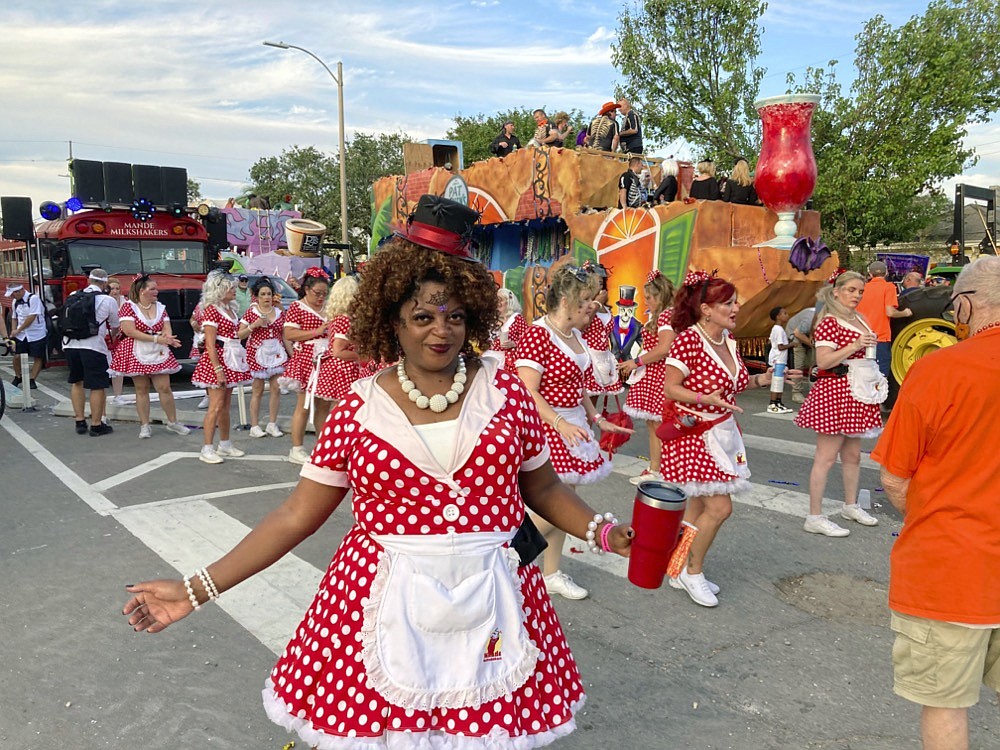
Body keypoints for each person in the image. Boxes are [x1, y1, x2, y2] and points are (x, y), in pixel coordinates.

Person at [122, 194, 635, 750]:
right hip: (378, 600)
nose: (441, 331)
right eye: (422, 316)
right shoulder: (359, 408)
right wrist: (194, 590)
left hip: (497, 596)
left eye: (455, 315)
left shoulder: (503, 390)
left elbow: (543, 487)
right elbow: (296, 515)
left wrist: (606, 533)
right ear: (391, 319)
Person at [871, 257, 1000, 750]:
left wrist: (938, 518)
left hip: (951, 570)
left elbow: (895, 479)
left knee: (946, 706)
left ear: (965, 304)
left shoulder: (938, 369)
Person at [516, 264, 632, 601]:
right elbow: (528, 392)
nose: (593, 306)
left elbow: (579, 385)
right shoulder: (539, 334)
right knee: (556, 506)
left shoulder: (576, 336)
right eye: (586, 300)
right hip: (547, 426)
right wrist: (559, 423)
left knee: (565, 501)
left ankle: (550, 572)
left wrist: (595, 417)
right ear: (566, 300)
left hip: (573, 425)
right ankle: (510, 558)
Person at [659, 271, 775, 607]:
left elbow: (735, 387)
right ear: (706, 309)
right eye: (728, 302)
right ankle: (694, 572)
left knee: (697, 508)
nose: (736, 307)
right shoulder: (689, 341)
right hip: (693, 434)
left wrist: (762, 380)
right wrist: (704, 400)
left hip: (723, 433)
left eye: (735, 301)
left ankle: (678, 567)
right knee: (720, 508)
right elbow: (671, 388)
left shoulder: (729, 342)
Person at [794, 270, 882, 537]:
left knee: (853, 455)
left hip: (855, 390)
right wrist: (855, 344)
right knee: (826, 456)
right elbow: (823, 361)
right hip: (835, 391)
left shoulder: (858, 318)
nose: (856, 295)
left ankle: (850, 505)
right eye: (851, 290)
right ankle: (815, 515)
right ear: (836, 292)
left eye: (860, 291)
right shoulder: (829, 321)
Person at [109, 274, 190, 439]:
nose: (157, 292)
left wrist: (168, 339)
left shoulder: (160, 307)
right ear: (142, 291)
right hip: (137, 349)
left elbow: (167, 327)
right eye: (153, 289)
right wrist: (156, 338)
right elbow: (129, 331)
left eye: (156, 288)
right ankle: (144, 425)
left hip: (157, 350)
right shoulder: (129, 307)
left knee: (164, 388)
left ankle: (172, 422)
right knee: (141, 389)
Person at [620, 270, 676, 484]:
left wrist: (637, 362)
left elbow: (665, 348)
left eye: (650, 298)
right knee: (655, 424)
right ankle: (657, 467)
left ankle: (658, 469)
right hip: (656, 373)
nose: (647, 302)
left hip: (659, 375)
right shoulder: (664, 315)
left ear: (660, 296)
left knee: (658, 424)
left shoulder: (665, 316)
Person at [190, 272, 253, 464]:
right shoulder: (212, 310)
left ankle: (224, 444)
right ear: (219, 290)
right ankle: (207, 447)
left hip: (230, 357)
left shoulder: (230, 310)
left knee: (224, 406)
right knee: (215, 406)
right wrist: (217, 369)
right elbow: (209, 343)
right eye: (230, 287)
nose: (234, 290)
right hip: (217, 360)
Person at [278, 268, 332, 464]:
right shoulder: (296, 307)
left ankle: (323, 445)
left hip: (327, 358)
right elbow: (290, 334)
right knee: (304, 405)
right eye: (318, 293)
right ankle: (297, 447)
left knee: (324, 406)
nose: (321, 297)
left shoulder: (328, 307)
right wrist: (317, 331)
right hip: (307, 359)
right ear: (307, 289)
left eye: (324, 293)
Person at [63, 269, 119, 436]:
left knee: (76, 382)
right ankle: (96, 424)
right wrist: (111, 338)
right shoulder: (107, 300)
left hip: (70, 344)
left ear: (88, 281)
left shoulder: (74, 295)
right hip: (93, 346)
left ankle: (79, 421)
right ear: (104, 283)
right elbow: (115, 325)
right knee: (97, 386)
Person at [240, 276, 286, 439]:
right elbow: (239, 333)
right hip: (258, 353)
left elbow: (285, 333)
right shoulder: (251, 312)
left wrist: (291, 354)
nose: (266, 297)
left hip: (277, 352)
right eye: (263, 294)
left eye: (269, 294)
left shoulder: (279, 311)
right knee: (257, 390)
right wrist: (254, 325)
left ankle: (272, 423)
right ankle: (254, 425)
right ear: (257, 296)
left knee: (276, 388)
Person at [856, 260, 913, 382]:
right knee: (880, 376)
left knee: (863, 375)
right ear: (886, 273)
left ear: (870, 275)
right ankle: (877, 400)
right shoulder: (889, 287)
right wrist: (905, 313)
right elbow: (890, 312)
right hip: (880, 338)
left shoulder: (862, 288)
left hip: (861, 338)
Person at [313, 274, 364, 408]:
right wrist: (363, 356)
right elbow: (338, 351)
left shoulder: (339, 318)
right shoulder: (345, 320)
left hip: (341, 367)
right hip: (344, 369)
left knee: (342, 406)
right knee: (345, 406)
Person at [581, 264, 622, 409]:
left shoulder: (604, 306)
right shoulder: (584, 303)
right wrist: (597, 303)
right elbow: (582, 325)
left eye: (601, 281)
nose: (600, 285)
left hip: (602, 357)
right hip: (588, 358)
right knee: (586, 407)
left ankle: (589, 431)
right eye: (596, 282)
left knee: (593, 408)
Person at [5, 283, 47, 389]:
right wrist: (14, 331)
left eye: (13, 294)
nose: (12, 297)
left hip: (37, 332)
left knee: (37, 356)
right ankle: (18, 376)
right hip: (22, 335)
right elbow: (14, 317)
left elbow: (32, 317)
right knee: (17, 356)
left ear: (19, 291)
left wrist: (19, 329)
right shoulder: (15, 302)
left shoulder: (34, 299)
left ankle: (32, 379)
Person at [485, 286, 528, 373]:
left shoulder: (517, 318)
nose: (497, 303)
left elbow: (527, 341)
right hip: (491, 358)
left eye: (500, 300)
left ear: (509, 302)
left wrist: (514, 344)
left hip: (508, 360)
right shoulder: (493, 320)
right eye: (496, 300)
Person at [767, 306, 794, 414]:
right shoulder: (778, 329)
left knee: (780, 382)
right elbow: (780, 347)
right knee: (777, 382)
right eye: (784, 313)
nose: (787, 315)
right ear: (778, 316)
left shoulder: (778, 329)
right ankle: (772, 404)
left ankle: (778, 403)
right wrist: (792, 344)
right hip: (778, 360)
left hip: (780, 360)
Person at [786, 305, 815, 403]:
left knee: (814, 364)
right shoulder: (809, 319)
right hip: (795, 336)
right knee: (799, 365)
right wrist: (811, 344)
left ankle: (814, 392)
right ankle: (796, 392)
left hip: (807, 334)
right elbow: (798, 333)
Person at [105, 277, 127, 406]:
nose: (115, 291)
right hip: (104, 337)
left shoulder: (125, 302)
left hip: (120, 337)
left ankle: (118, 395)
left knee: (118, 368)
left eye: (117, 288)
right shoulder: (103, 302)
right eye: (112, 288)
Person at [609, 285, 642, 362]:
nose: (626, 314)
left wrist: (633, 360)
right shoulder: (611, 322)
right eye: (623, 310)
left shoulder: (637, 326)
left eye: (629, 311)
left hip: (629, 364)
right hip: (612, 363)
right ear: (618, 309)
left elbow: (643, 344)